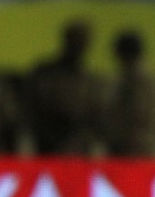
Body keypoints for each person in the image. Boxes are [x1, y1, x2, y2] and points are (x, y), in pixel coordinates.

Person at [25, 20, 104, 155]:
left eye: (83, 41)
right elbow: (35, 107)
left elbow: (93, 112)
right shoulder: (46, 73)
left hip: (78, 145)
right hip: (49, 143)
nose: (80, 46)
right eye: (76, 40)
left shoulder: (89, 78)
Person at [101, 31, 155, 157]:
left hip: (134, 145)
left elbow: (139, 112)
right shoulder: (149, 76)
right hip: (143, 143)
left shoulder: (137, 79)